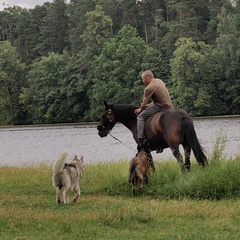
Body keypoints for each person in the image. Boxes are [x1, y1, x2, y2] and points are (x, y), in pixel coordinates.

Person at [134, 70, 173, 151]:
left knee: (140, 117)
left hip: (161, 106)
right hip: (169, 105)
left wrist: (140, 109)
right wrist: (149, 106)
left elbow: (143, 105)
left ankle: (141, 138)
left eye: (143, 79)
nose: (143, 81)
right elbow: (156, 101)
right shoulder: (159, 81)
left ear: (146, 78)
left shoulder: (148, 88)